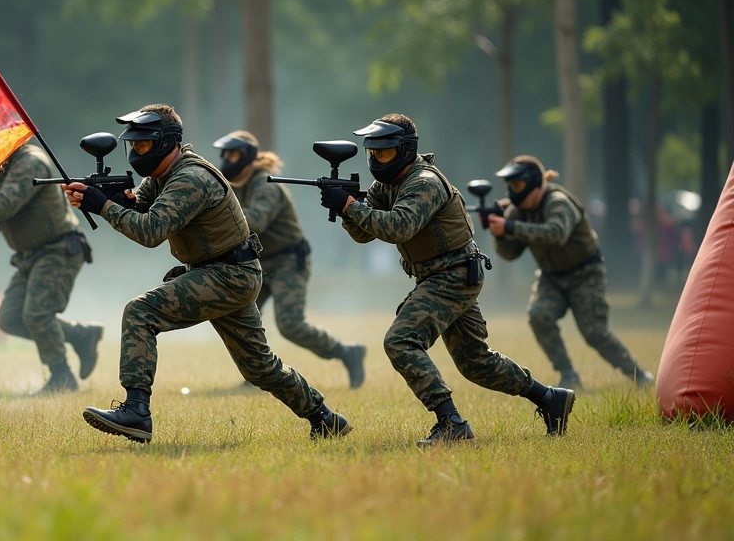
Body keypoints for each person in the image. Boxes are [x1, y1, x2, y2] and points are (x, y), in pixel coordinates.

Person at [62, 105, 351, 444]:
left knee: (140, 311)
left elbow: (150, 231)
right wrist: (109, 198)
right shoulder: (163, 176)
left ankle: (136, 412)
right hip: (227, 273)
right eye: (133, 147)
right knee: (261, 368)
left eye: (142, 146)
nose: (136, 153)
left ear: (165, 143)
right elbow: (142, 208)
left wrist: (104, 206)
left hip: (229, 275)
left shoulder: (190, 178)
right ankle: (326, 418)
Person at [322, 114, 573, 446]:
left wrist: (351, 206)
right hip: (443, 274)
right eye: (372, 153)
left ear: (404, 150)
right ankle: (552, 400)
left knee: (400, 341)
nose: (376, 160)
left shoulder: (423, 182)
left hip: (453, 275)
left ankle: (451, 423)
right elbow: (367, 235)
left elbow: (399, 227)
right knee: (476, 362)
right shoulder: (389, 184)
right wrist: (346, 210)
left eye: (383, 153)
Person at [213, 130, 366, 388]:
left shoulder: (266, 184)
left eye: (234, 154)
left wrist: (214, 211)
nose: (228, 159)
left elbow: (255, 221)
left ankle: (346, 352)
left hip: (287, 261)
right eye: (225, 154)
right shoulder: (235, 186)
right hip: (258, 263)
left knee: (290, 324)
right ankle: (258, 375)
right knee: (241, 319)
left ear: (248, 157)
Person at [486, 155, 654, 390]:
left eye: (518, 185)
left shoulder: (558, 201)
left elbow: (556, 233)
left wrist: (510, 227)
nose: (513, 193)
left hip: (585, 273)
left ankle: (639, 376)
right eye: (510, 187)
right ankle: (568, 375)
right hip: (551, 276)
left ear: (534, 182)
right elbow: (510, 254)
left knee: (594, 332)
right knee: (538, 316)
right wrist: (500, 234)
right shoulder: (518, 212)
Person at [0, 143, 103, 394]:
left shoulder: (29, 161)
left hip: (58, 249)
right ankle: (80, 335)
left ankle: (62, 377)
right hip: (29, 256)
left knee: (37, 314)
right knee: (9, 318)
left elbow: (5, 204)